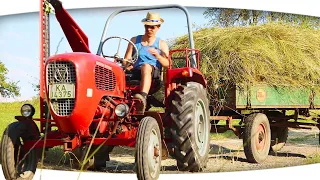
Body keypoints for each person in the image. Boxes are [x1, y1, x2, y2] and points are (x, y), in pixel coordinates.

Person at [122, 11, 170, 114]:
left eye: (152, 27)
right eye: (147, 26)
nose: (149, 29)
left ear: (158, 28)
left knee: (146, 66)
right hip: (136, 72)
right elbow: (126, 60)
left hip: (153, 74)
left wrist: (157, 56)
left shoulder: (161, 44)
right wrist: (126, 65)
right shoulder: (134, 40)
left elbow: (167, 64)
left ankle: (142, 98)